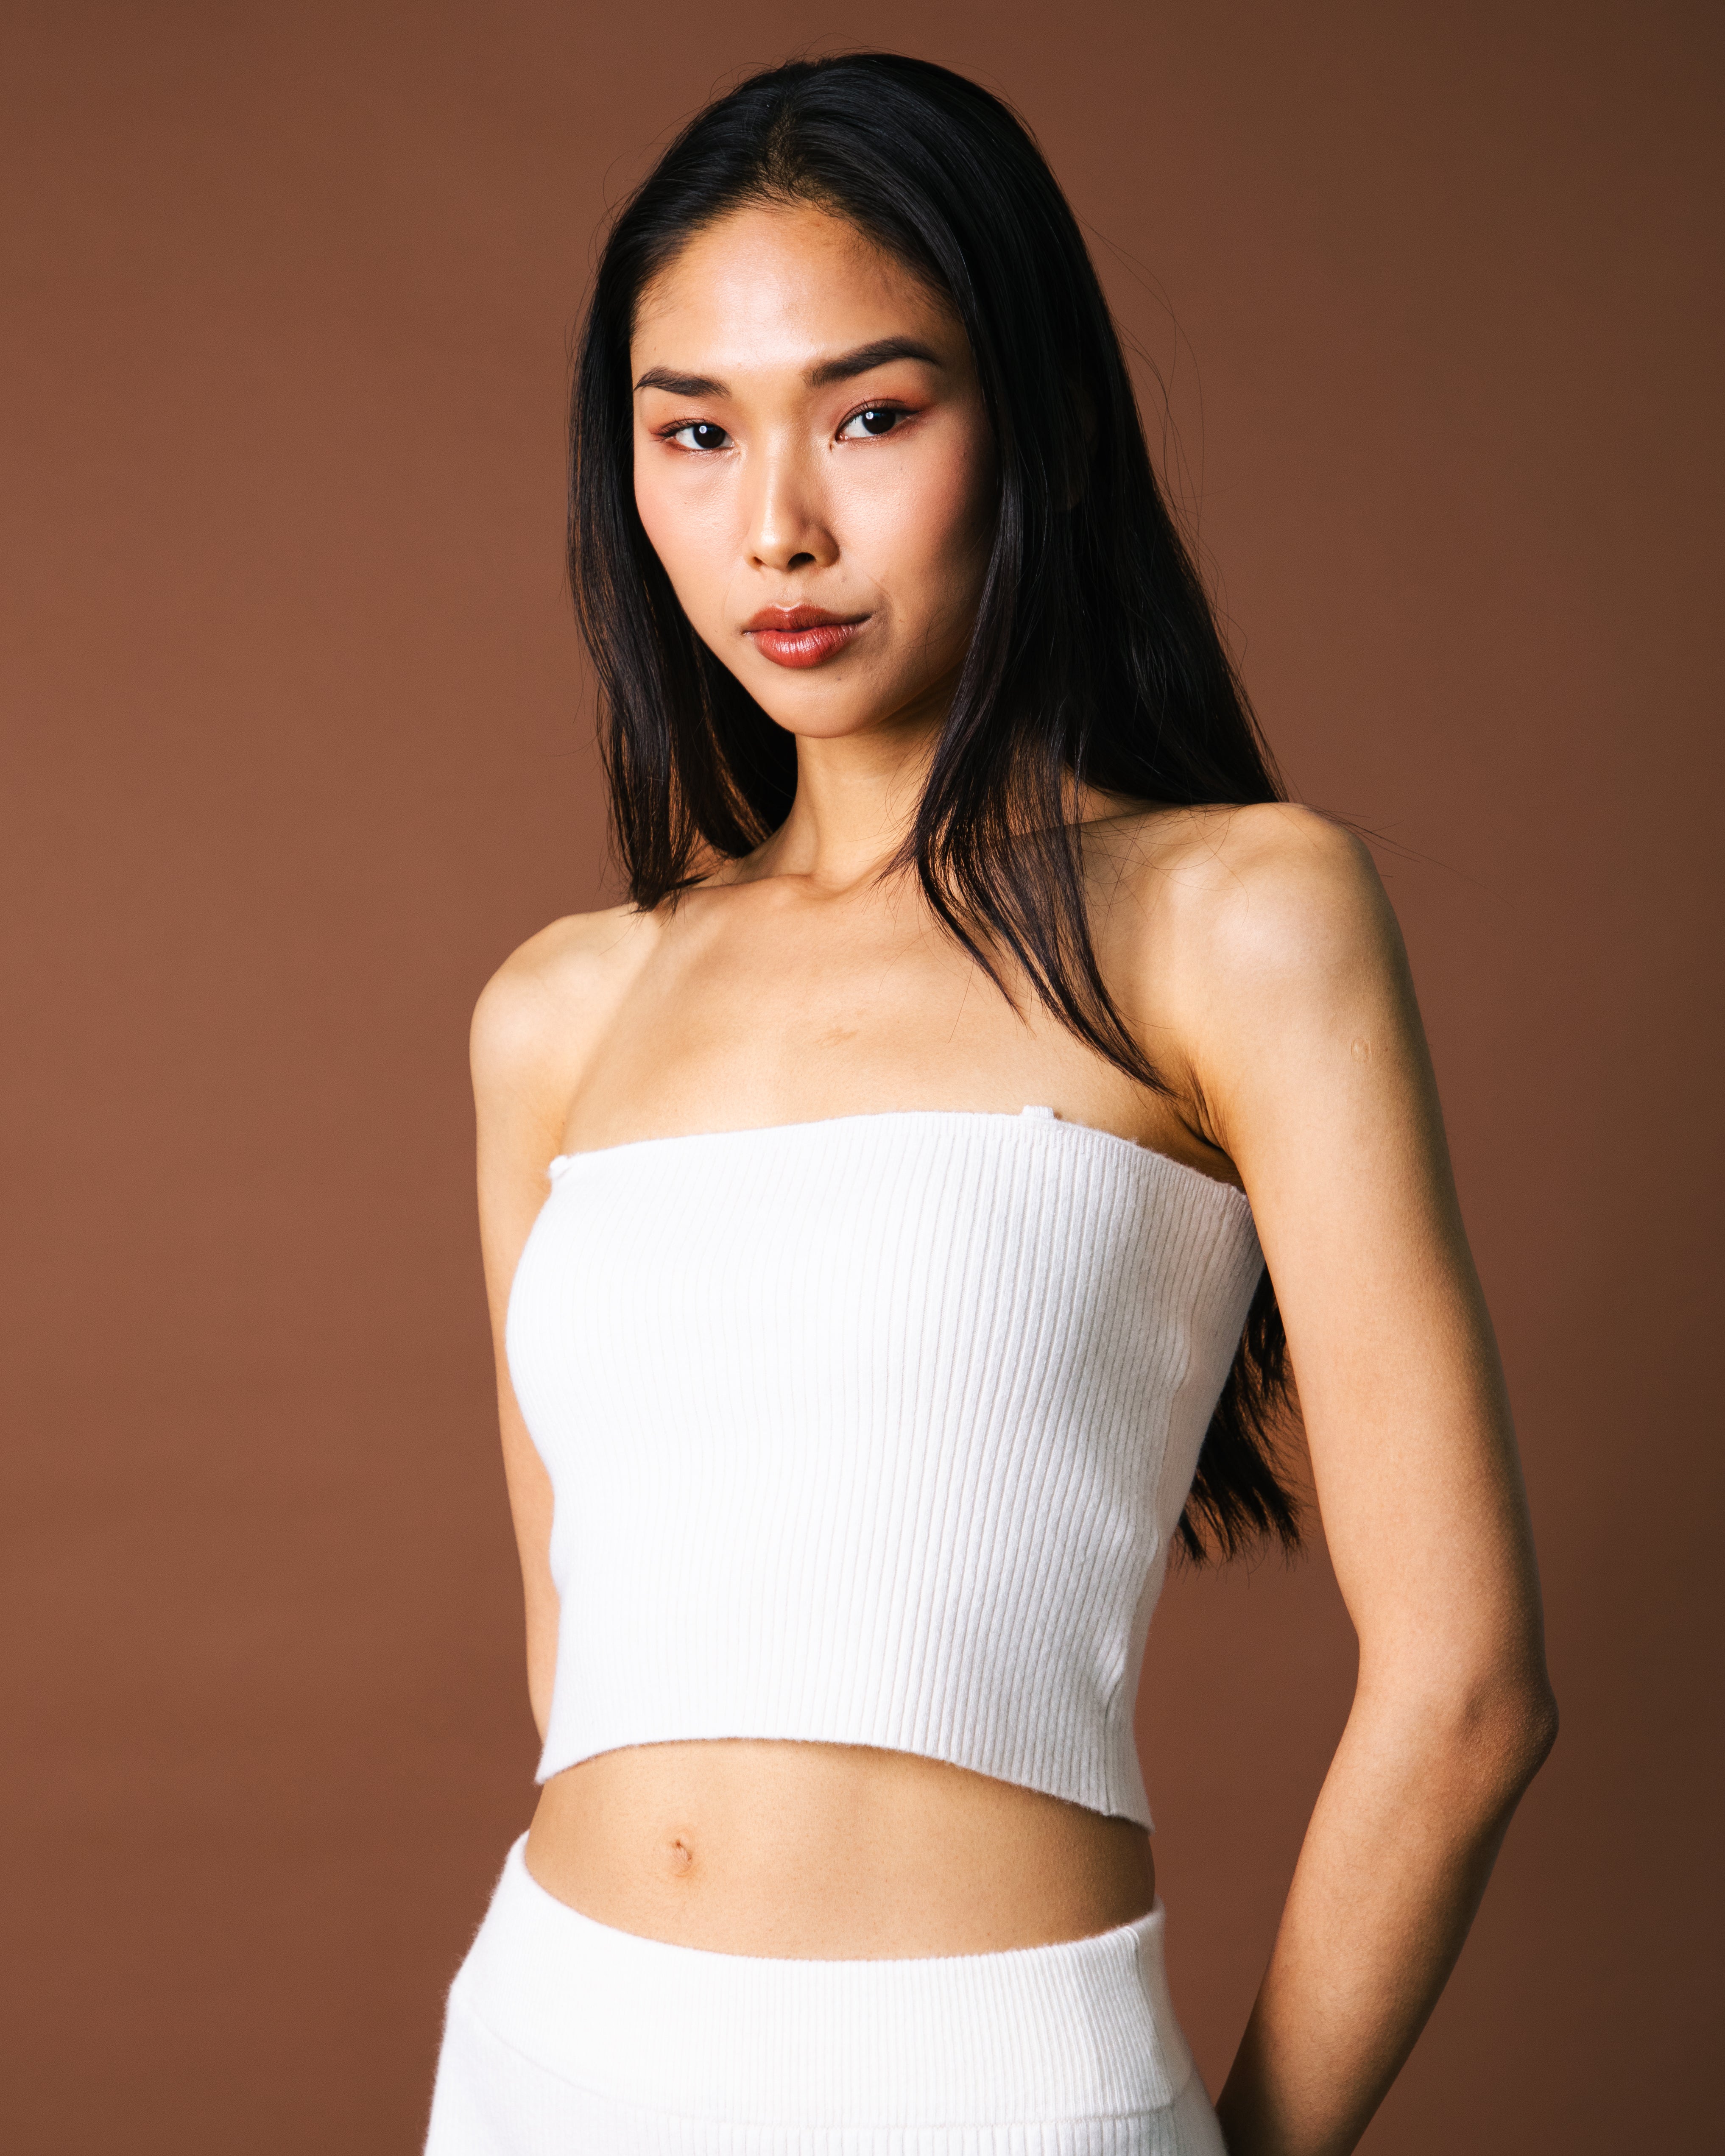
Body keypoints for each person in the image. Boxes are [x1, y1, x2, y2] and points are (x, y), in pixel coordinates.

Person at [424, 52, 1555, 2156]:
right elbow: (584, 1665)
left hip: (992, 2094)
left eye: (870, 415)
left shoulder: (1236, 919)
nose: (777, 525)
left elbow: (1468, 1693)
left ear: (1038, 420)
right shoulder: (562, 1011)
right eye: (695, 432)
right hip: (544, 2060)